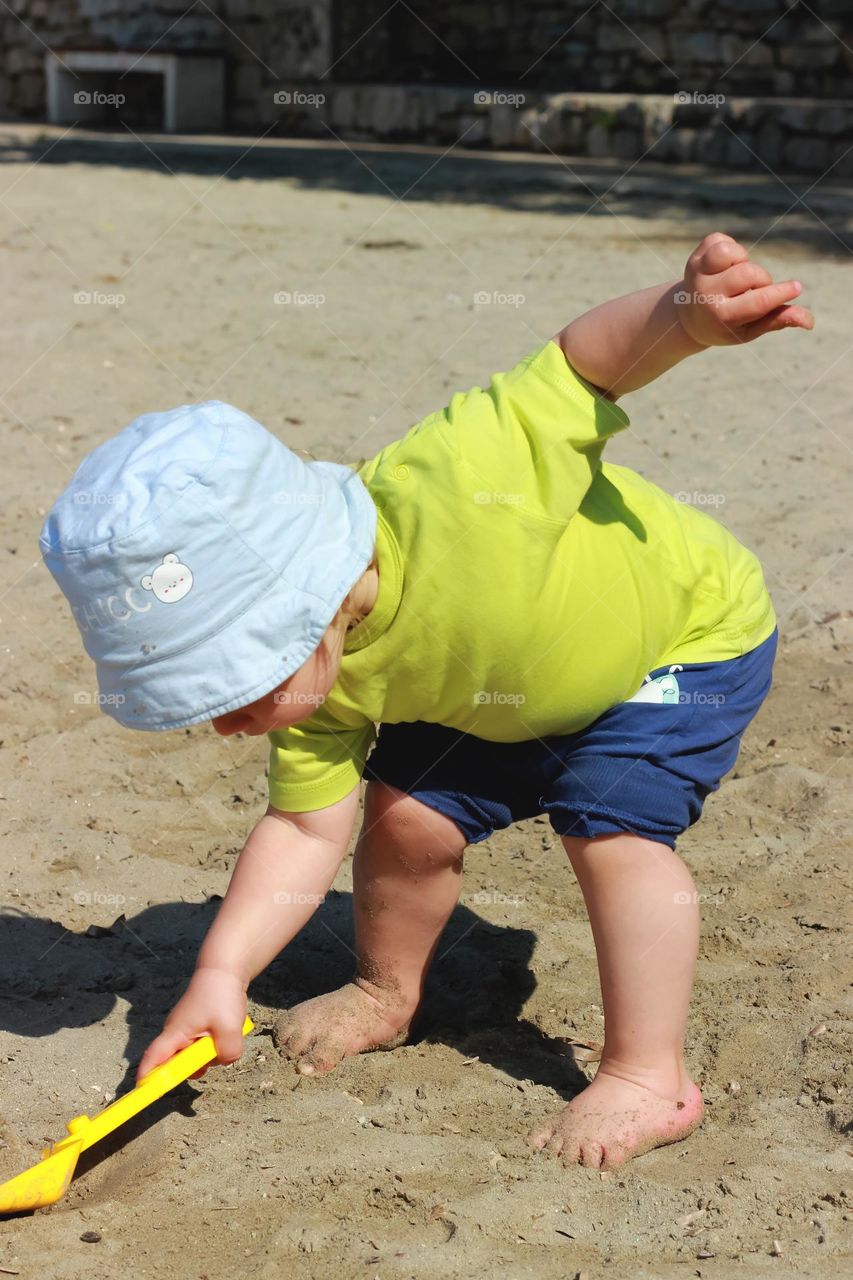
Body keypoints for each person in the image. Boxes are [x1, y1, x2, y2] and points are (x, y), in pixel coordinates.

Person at [40, 233, 813, 1170]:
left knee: (609, 828)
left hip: (680, 644)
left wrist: (685, 318)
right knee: (402, 819)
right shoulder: (314, 687)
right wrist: (222, 973)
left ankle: (647, 1074)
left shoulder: (458, 476)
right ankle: (384, 991)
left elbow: (580, 366)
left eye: (231, 686)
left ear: (308, 600)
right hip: (497, 693)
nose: (225, 724)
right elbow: (300, 831)